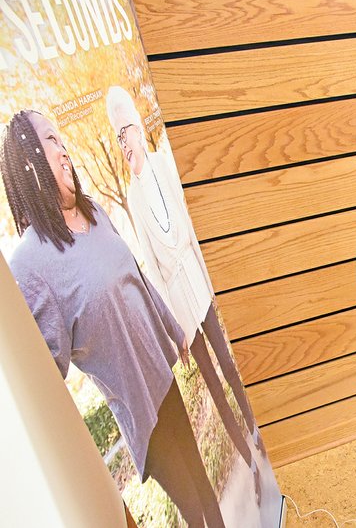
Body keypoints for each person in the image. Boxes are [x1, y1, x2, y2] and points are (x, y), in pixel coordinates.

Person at [1, 110, 225, 528]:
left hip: (164, 379)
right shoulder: (29, 264)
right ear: (30, 159)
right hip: (140, 412)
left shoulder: (95, 212)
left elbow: (136, 276)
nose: (64, 149)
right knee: (194, 509)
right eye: (51, 140)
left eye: (61, 139)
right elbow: (43, 379)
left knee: (206, 494)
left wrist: (174, 330)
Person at [104, 86, 264, 500]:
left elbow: (190, 226)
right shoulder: (133, 196)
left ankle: (255, 429)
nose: (124, 143)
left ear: (139, 129)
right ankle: (247, 460)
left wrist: (210, 282)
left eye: (127, 132)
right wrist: (174, 329)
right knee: (212, 383)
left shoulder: (163, 164)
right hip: (177, 300)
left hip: (197, 280)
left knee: (229, 365)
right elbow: (152, 270)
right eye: (118, 137)